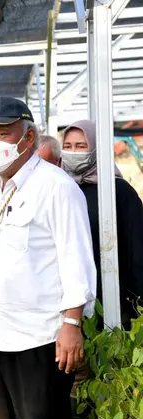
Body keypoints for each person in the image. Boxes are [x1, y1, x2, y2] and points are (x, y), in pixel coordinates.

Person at [0, 97, 96, 419]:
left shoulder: (57, 187)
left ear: (28, 137)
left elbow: (75, 258)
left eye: (3, 133)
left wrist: (72, 324)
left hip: (36, 338)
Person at [61, 120, 143, 329]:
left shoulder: (118, 191)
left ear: (98, 149)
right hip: (68, 304)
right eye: (68, 146)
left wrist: (137, 305)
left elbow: (137, 249)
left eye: (81, 146)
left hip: (114, 302)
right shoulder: (60, 189)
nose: (73, 152)